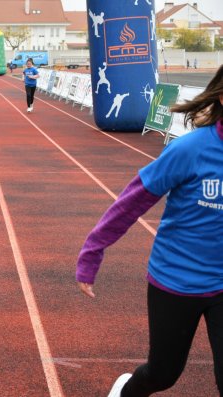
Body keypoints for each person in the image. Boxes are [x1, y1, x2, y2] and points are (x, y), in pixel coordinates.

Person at [76, 64, 223, 397]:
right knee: (163, 373)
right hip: (176, 281)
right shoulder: (189, 150)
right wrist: (92, 252)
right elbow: (130, 203)